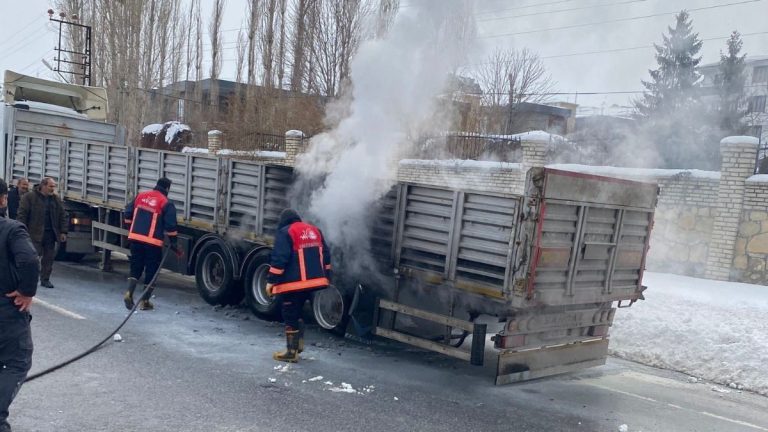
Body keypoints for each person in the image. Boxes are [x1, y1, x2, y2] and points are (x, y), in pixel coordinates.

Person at [0, 178, 41, 432]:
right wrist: (26, 292)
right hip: (5, 310)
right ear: (3, 199)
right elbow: (29, 260)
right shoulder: (11, 230)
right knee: (16, 362)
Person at [266, 208, 332, 363]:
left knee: (289, 312)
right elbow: (326, 255)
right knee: (299, 311)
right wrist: (327, 277)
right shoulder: (315, 231)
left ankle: (291, 352)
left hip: (294, 283)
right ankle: (299, 345)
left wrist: (271, 281)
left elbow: (279, 258)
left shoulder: (286, 232)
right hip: (315, 282)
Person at [123, 177, 179, 311]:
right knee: (151, 271)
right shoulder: (165, 202)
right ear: (167, 188)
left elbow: (127, 213)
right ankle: (145, 301)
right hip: (152, 243)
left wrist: (132, 228)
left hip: (135, 239)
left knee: (136, 267)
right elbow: (171, 226)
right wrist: (174, 243)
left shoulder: (141, 196)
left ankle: (129, 293)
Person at [16, 177, 68, 289]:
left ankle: (45, 279)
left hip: (50, 234)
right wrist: (21, 230)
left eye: (54, 186)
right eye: (50, 186)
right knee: (32, 258)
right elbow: (22, 215)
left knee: (49, 258)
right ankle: (27, 279)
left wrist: (63, 231)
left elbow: (63, 215)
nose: (52, 189)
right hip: (33, 233)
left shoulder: (56, 200)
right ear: (43, 186)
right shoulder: (29, 197)